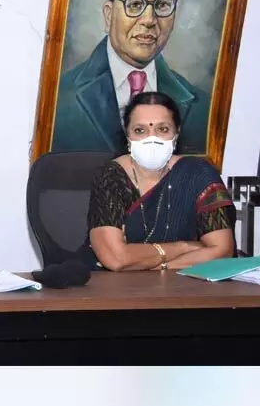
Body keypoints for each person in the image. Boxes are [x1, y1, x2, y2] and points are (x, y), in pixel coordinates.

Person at [53, 0, 210, 154]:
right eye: (135, 4)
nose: (149, 20)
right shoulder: (60, 99)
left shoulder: (202, 107)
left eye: (162, 4)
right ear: (109, 15)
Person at [85, 91, 235, 272]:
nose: (152, 139)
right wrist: (184, 247)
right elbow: (116, 259)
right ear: (128, 136)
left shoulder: (199, 174)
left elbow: (222, 251)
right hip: (118, 290)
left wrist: (160, 266)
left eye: (162, 129)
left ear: (176, 134)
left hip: (187, 287)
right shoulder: (110, 176)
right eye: (140, 130)